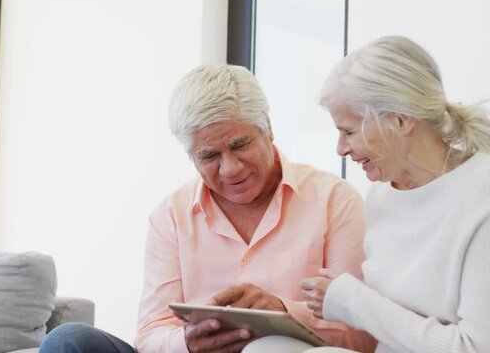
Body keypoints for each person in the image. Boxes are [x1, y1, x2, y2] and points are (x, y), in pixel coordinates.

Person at [40, 64, 374, 353]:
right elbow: (151, 333)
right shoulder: (171, 215)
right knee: (69, 340)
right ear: (191, 156)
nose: (230, 169)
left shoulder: (335, 201)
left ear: (268, 128)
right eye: (209, 156)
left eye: (239, 145)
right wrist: (187, 342)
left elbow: (363, 335)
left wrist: (284, 311)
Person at [294, 36, 490, 352]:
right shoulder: (381, 198)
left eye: (349, 132)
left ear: (400, 119)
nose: (341, 149)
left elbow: (478, 349)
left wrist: (354, 301)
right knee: (267, 348)